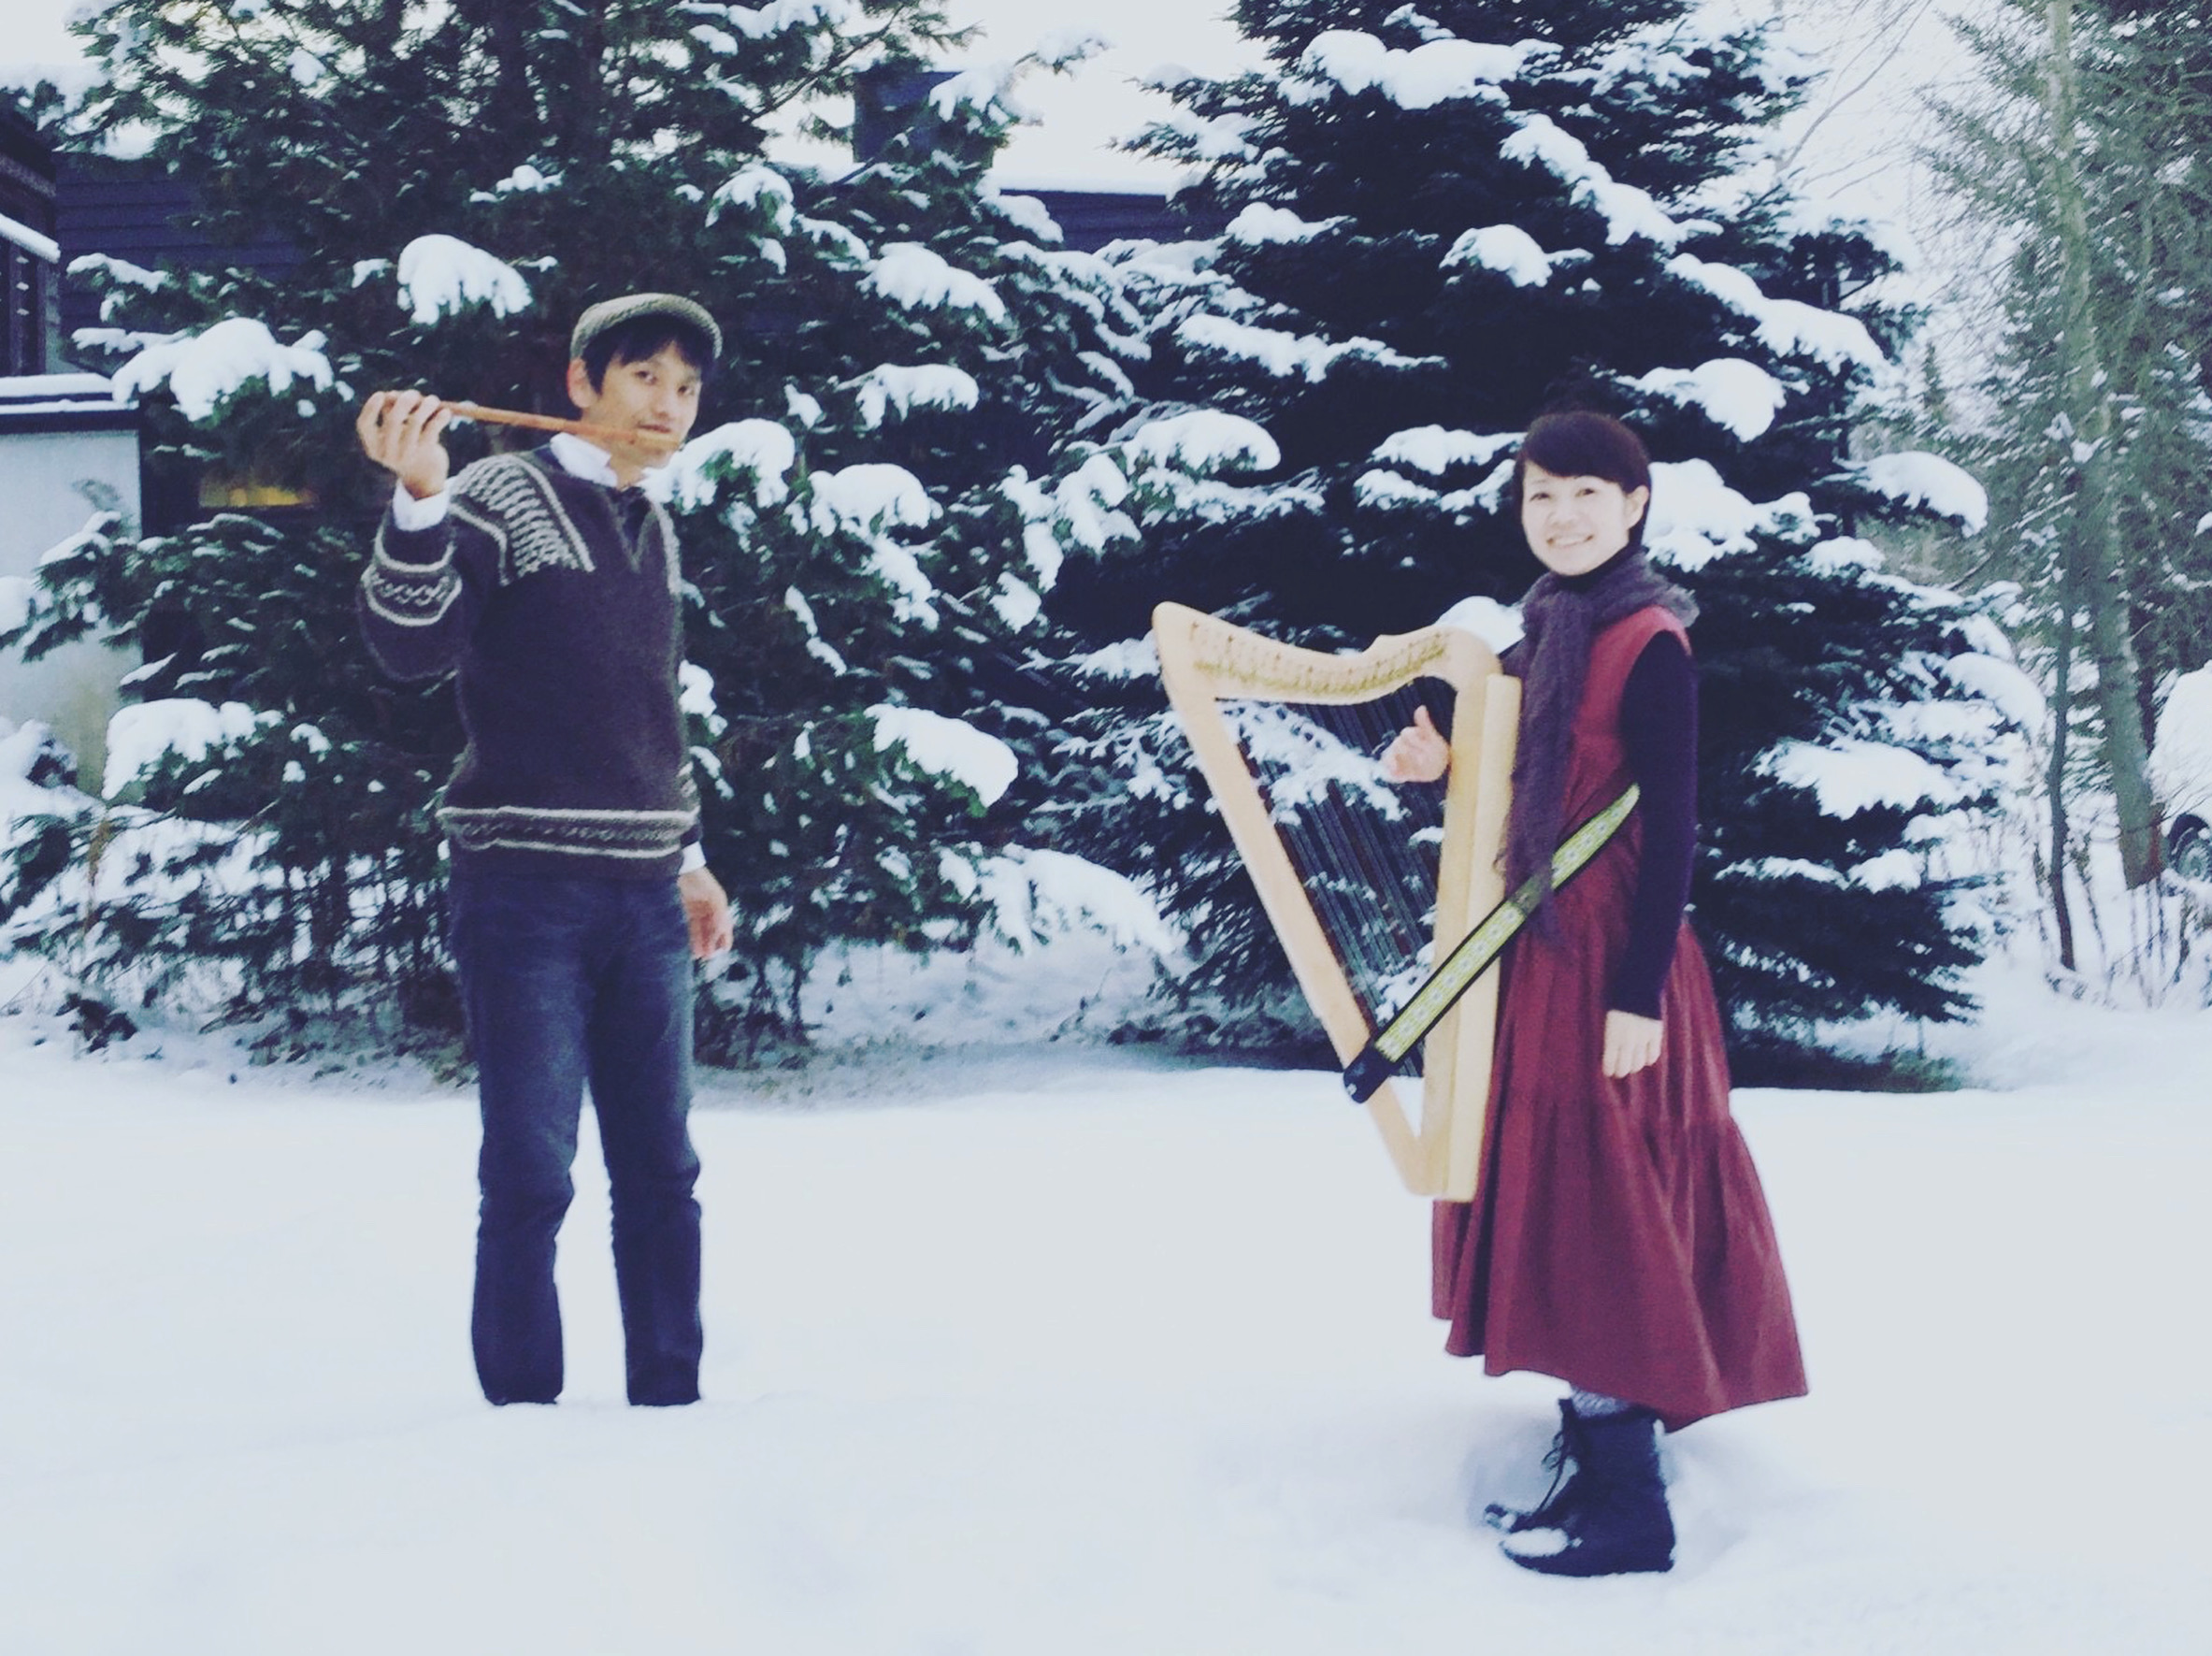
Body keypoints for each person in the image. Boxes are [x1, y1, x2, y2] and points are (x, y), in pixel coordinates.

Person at [1384, 410, 1804, 1576]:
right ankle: (1595, 1456)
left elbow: (1670, 832)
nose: (1560, 516)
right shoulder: (1539, 636)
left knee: (1599, 1211)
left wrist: (1636, 996)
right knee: (1564, 1202)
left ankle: (1629, 1513)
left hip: (1614, 963)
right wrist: (1441, 768)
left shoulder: (1646, 640)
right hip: (1545, 956)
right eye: (1540, 496)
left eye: (1584, 494)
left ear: (1633, 505)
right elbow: (1526, 796)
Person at [354, 294, 736, 1407]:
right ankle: (522, 1426)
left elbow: (651, 711)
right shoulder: (499, 496)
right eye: (644, 377)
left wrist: (688, 856)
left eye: (685, 387)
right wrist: (419, 499)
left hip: (646, 898)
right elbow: (408, 645)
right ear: (581, 383)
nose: (667, 405)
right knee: (530, 1174)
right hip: (523, 893)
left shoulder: (651, 523)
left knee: (662, 1174)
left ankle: (670, 1405)